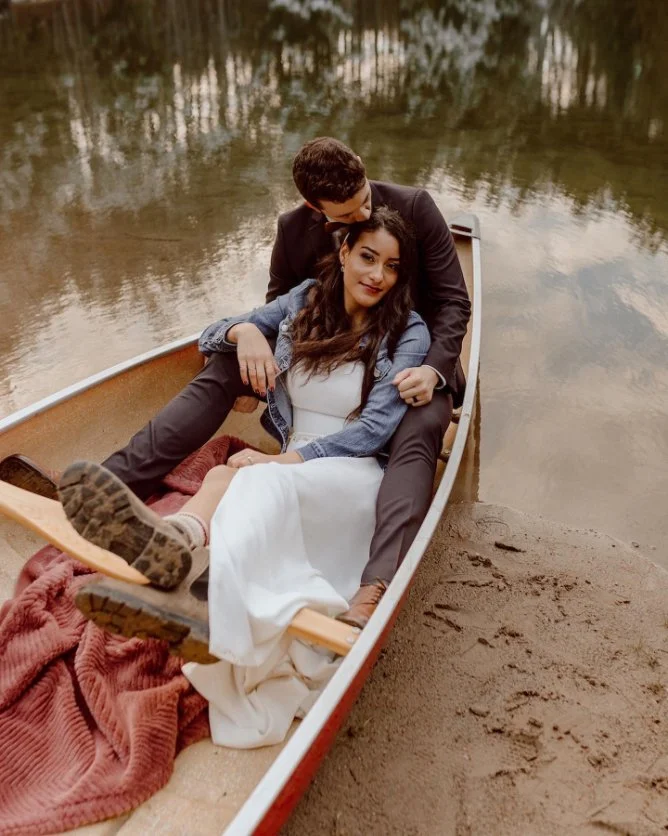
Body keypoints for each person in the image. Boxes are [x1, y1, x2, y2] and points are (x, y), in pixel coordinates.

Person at [2, 137, 470, 628]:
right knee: (226, 370)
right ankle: (122, 495)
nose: (362, 218)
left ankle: (374, 585)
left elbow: (454, 304)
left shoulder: (414, 213)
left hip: (409, 367)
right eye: (350, 226)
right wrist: (245, 335)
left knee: (417, 426)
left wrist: (433, 370)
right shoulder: (298, 249)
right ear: (318, 212)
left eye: (366, 207)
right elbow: (274, 310)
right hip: (320, 361)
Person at [57, 208, 429, 745]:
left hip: (350, 473)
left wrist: (280, 462)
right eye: (368, 257)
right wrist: (246, 330)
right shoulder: (305, 299)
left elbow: (374, 430)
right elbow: (211, 336)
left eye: (392, 267)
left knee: (253, 478)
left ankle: (206, 600)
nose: (377, 275)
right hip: (293, 467)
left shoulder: (406, 331)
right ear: (344, 251)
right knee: (223, 477)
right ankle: (173, 544)